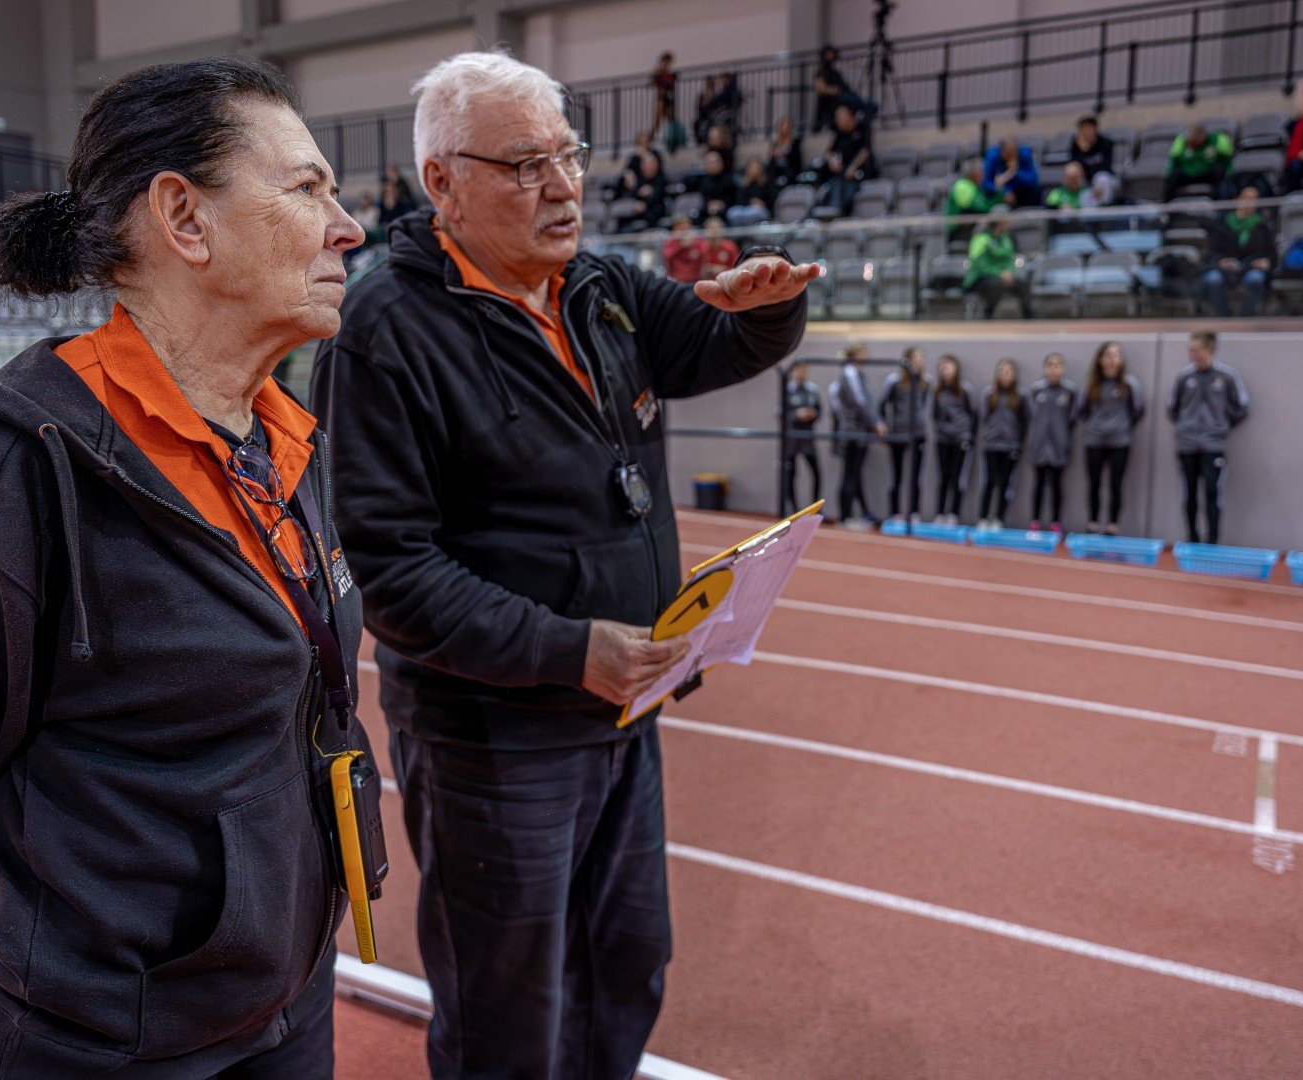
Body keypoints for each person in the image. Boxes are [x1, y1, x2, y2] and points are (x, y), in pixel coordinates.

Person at [0, 56, 369, 1078]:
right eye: (308, 189)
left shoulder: (281, 438)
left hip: (282, 1001)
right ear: (184, 218)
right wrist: (7, 966)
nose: (347, 226)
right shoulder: (4, 460)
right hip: (84, 1037)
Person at [311, 51, 816, 1080]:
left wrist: (767, 304)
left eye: (571, 155)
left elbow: (716, 343)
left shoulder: (600, 286)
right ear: (442, 182)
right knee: (508, 1002)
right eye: (527, 163)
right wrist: (570, 648)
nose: (566, 186)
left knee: (625, 958)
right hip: (494, 740)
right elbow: (395, 576)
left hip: (624, 708)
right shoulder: (385, 330)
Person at [1168, 331, 1249, 545]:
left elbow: (1241, 407)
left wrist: (1220, 427)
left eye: (1196, 349)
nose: (1192, 353)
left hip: (1213, 445)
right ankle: (1192, 538)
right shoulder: (1184, 377)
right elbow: (1172, 408)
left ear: (1210, 350)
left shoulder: (1227, 376)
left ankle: (1212, 539)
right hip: (1187, 444)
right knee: (1190, 492)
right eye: (1190, 349)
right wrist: (1186, 426)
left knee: (1213, 490)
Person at [1078, 341, 1144, 535]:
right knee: (1094, 482)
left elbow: (1138, 411)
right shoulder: (1091, 385)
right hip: (1094, 440)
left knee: (1116, 483)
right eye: (1109, 354)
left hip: (1119, 441)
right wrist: (1095, 427)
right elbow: (1082, 410)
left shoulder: (1129, 384)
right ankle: (1093, 522)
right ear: (1100, 360)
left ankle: (1113, 523)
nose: (1113, 359)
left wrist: (1121, 427)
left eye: (1117, 355)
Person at [1199, 186, 1276, 317]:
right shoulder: (1223, 223)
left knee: (1256, 278)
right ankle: (1224, 317)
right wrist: (1221, 261)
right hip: (1226, 269)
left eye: (1254, 199)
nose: (1250, 202)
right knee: (1212, 279)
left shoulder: (1262, 225)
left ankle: (1246, 317)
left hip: (1251, 267)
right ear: (1236, 200)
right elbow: (1212, 251)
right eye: (1247, 198)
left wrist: (1266, 262)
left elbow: (1271, 253)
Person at [829, 343, 882, 526]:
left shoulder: (858, 374)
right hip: (852, 432)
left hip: (859, 432)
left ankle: (855, 514)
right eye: (864, 351)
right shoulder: (850, 372)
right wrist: (875, 423)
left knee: (854, 473)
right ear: (857, 353)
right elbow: (859, 401)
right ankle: (845, 516)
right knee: (850, 473)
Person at [1026, 353, 1076, 533]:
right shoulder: (1036, 390)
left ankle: (1056, 521)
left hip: (1059, 446)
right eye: (1050, 365)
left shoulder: (1069, 391)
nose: (1054, 369)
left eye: (1058, 365)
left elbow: (1072, 418)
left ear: (1062, 369)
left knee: (1056, 485)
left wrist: (1062, 437)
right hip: (1039, 446)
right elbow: (1032, 415)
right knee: (1038, 484)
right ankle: (1035, 520)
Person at [879, 345, 929, 525]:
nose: (920, 362)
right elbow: (882, 405)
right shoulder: (894, 381)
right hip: (899, 433)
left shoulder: (925, 381)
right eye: (917, 358)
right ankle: (895, 512)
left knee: (916, 476)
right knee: (897, 474)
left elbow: (922, 405)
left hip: (918, 433)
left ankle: (914, 512)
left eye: (921, 359)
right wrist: (884, 425)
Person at [977, 358, 1028, 530]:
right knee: (989, 481)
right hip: (991, 445)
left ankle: (999, 517)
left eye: (1009, 372)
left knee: (1005, 483)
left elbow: (1024, 421)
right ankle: (983, 517)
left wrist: (1017, 443)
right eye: (1002, 371)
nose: (1005, 375)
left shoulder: (1020, 396)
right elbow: (984, 416)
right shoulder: (989, 394)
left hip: (1010, 446)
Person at [931, 354, 976, 525]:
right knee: (943, 477)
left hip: (961, 440)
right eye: (942, 368)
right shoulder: (937, 391)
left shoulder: (965, 390)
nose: (946, 371)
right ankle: (940, 512)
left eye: (949, 367)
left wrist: (966, 435)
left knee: (958, 477)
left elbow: (972, 414)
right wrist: (943, 430)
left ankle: (954, 513)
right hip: (943, 440)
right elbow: (935, 415)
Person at [964, 208, 1033, 319]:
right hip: (981, 277)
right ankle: (988, 316)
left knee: (1021, 285)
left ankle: (1029, 319)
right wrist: (999, 273)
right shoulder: (981, 237)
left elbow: (1010, 259)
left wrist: (1009, 272)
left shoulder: (1005, 238)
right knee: (994, 284)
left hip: (1004, 276)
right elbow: (978, 263)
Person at [781, 360, 824, 515]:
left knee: (816, 472)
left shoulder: (812, 390)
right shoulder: (787, 389)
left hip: (807, 437)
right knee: (790, 473)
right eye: (799, 370)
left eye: (804, 370)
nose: (802, 373)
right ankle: (791, 508)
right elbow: (780, 413)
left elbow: (820, 411)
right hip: (792, 438)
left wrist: (812, 414)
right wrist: (796, 415)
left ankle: (816, 508)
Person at [822, 104, 875, 213]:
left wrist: (853, 167)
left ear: (849, 116)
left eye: (839, 117)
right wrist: (832, 161)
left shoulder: (863, 128)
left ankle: (838, 212)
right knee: (832, 186)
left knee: (846, 189)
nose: (837, 120)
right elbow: (829, 152)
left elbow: (865, 151)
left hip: (860, 174)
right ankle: (829, 212)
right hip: (842, 175)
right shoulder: (840, 133)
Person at [1165, 123, 1235, 200]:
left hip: (1207, 173)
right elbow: (1173, 165)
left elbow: (1227, 162)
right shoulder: (1181, 142)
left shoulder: (1217, 141)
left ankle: (1220, 206)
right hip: (1188, 174)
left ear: (1203, 138)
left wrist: (1230, 174)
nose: (1192, 145)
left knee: (1219, 171)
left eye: (1195, 142)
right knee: (1174, 176)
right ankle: (1167, 207)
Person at [1068, 115, 1119, 204]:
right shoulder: (1076, 145)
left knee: (1101, 178)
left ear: (1095, 129)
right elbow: (1074, 164)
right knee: (1072, 172)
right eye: (1082, 129)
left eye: (1088, 128)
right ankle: (1075, 205)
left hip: (1105, 178)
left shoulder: (1106, 143)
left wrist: (1093, 181)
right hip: (1086, 180)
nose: (1085, 132)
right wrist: (1083, 150)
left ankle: (1105, 206)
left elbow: (1106, 167)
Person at [945, 157, 997, 243]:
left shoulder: (976, 187)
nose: (983, 175)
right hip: (959, 231)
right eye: (981, 172)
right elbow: (980, 208)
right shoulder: (962, 185)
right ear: (973, 173)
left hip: (970, 228)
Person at [617, 152, 669, 231]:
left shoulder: (660, 178)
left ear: (655, 165)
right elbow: (627, 193)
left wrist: (645, 204)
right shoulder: (639, 178)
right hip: (636, 209)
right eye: (642, 164)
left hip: (654, 210)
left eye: (646, 164)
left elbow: (658, 196)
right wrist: (637, 191)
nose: (643, 167)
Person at [982, 137, 1041, 207]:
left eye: (1013, 153)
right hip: (1001, 194)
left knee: (1035, 190)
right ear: (1002, 151)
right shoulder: (992, 156)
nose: (1011, 157)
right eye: (1008, 153)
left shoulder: (1024, 154)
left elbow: (1032, 180)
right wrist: (1005, 192)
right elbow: (986, 183)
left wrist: (1015, 172)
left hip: (1021, 190)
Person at [813, 44, 853, 133]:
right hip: (830, 102)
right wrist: (835, 91)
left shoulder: (835, 72)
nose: (831, 57)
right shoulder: (821, 71)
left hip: (842, 99)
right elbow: (821, 88)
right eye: (828, 54)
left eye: (832, 54)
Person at [694, 149, 739, 221]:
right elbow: (703, 198)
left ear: (721, 163)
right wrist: (710, 204)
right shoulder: (702, 181)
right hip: (709, 208)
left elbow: (734, 197)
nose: (712, 165)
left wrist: (722, 204)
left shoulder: (730, 179)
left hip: (727, 207)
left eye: (715, 162)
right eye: (709, 163)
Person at [662, 215, 707, 282]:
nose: (684, 230)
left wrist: (693, 244)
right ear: (675, 228)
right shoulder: (671, 241)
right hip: (676, 279)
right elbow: (667, 257)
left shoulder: (696, 241)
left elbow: (705, 255)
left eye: (686, 227)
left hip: (694, 278)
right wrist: (681, 246)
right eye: (681, 227)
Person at [729, 156, 772, 225]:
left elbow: (771, 200)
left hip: (761, 209)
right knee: (733, 212)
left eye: (757, 167)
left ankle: (749, 233)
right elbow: (739, 200)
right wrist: (751, 202)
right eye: (752, 167)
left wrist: (761, 203)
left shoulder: (766, 183)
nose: (754, 170)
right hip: (745, 209)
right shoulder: (743, 184)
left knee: (752, 212)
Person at [767, 115, 803, 185]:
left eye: (787, 127)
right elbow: (770, 158)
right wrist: (774, 154)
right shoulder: (775, 142)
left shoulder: (795, 142)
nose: (785, 129)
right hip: (776, 167)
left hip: (789, 167)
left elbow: (797, 158)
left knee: (787, 172)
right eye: (783, 127)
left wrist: (785, 153)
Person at [651, 51, 678, 143]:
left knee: (670, 119)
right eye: (667, 61)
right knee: (658, 121)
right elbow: (654, 82)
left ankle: (672, 138)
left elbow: (670, 83)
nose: (668, 63)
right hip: (662, 98)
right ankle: (651, 139)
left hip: (668, 97)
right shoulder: (659, 72)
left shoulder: (668, 73)